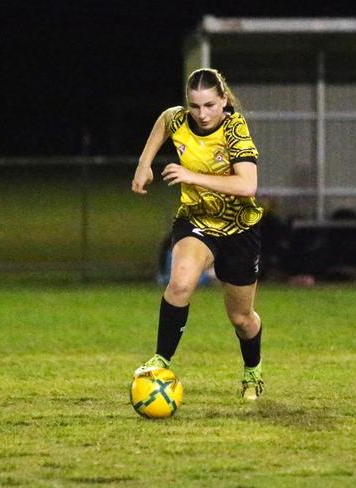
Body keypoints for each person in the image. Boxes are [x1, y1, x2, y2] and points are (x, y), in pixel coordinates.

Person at [131, 68, 264, 400]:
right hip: (196, 220)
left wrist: (192, 175)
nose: (202, 114)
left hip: (239, 229)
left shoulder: (235, 130)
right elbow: (165, 119)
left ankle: (252, 372)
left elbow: (247, 184)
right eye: (195, 106)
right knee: (179, 283)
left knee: (241, 318)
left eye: (209, 105)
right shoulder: (180, 119)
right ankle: (160, 361)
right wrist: (143, 163)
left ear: (223, 100)